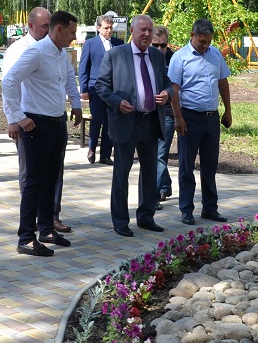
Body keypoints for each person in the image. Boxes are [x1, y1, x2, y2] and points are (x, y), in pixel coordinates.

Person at [2, 10, 83, 256]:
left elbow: (69, 78)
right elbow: (9, 81)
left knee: (51, 179)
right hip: (35, 125)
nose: (74, 37)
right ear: (58, 30)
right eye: (71, 32)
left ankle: (46, 229)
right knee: (34, 183)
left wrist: (76, 104)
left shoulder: (60, 53)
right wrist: (17, 117)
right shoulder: (36, 52)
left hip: (57, 123)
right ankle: (26, 238)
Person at [95, 14, 174, 237]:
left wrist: (167, 93)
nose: (147, 34)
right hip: (126, 122)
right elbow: (101, 86)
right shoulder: (116, 55)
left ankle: (146, 217)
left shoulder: (158, 57)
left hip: (151, 121)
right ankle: (120, 220)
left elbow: (168, 83)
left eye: (150, 30)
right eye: (143, 30)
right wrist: (117, 102)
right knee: (122, 173)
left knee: (150, 173)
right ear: (132, 31)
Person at [168, 18, 233, 225]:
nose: (205, 45)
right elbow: (174, 90)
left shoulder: (215, 55)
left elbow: (223, 82)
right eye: (201, 41)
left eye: (208, 41)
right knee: (187, 166)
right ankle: (186, 209)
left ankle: (210, 208)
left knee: (210, 165)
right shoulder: (180, 58)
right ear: (192, 35)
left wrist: (228, 110)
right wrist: (178, 117)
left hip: (211, 118)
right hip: (189, 117)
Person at [79, 14, 122, 165]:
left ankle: (105, 154)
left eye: (111, 28)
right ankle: (92, 148)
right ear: (99, 28)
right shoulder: (90, 44)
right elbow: (83, 67)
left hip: (113, 91)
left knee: (110, 122)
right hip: (95, 89)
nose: (109, 30)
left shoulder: (118, 43)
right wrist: (84, 88)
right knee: (97, 119)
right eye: (106, 28)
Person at [153, 25, 176, 203]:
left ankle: (153, 195)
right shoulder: (145, 58)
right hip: (149, 113)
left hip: (168, 113)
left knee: (160, 155)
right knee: (155, 154)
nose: (160, 49)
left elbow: (177, 88)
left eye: (163, 45)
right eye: (156, 45)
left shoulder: (174, 59)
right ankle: (165, 186)